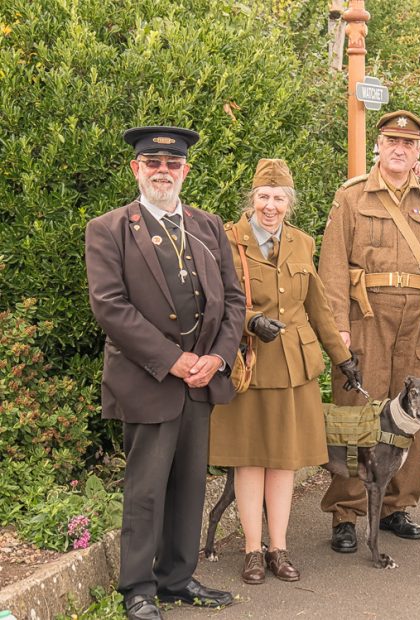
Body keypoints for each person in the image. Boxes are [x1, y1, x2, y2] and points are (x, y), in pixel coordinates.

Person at [85, 126, 245, 620]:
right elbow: (110, 306)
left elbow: (235, 300)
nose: (163, 171)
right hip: (148, 378)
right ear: (136, 169)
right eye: (153, 163)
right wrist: (172, 359)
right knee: (146, 488)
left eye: (172, 164)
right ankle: (136, 588)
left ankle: (176, 579)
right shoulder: (109, 228)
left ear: (185, 171)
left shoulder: (207, 224)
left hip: (201, 379)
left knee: (190, 485)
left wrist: (217, 358)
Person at [208, 159, 360, 585]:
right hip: (250, 367)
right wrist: (248, 321)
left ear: (288, 203)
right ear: (251, 199)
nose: (269, 206)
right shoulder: (226, 239)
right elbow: (214, 301)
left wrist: (341, 357)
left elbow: (318, 306)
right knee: (249, 462)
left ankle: (279, 547)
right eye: (263, 197)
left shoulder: (300, 242)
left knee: (284, 464)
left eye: (278, 198)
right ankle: (252, 551)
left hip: (295, 368)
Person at [318, 110, 420, 553]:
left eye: (409, 143)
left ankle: (397, 505)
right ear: (378, 146)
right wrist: (338, 327)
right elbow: (333, 265)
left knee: (410, 413)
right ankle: (346, 512)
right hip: (366, 317)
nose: (400, 149)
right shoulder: (352, 195)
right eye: (392, 141)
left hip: (418, 323)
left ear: (419, 151)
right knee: (354, 412)